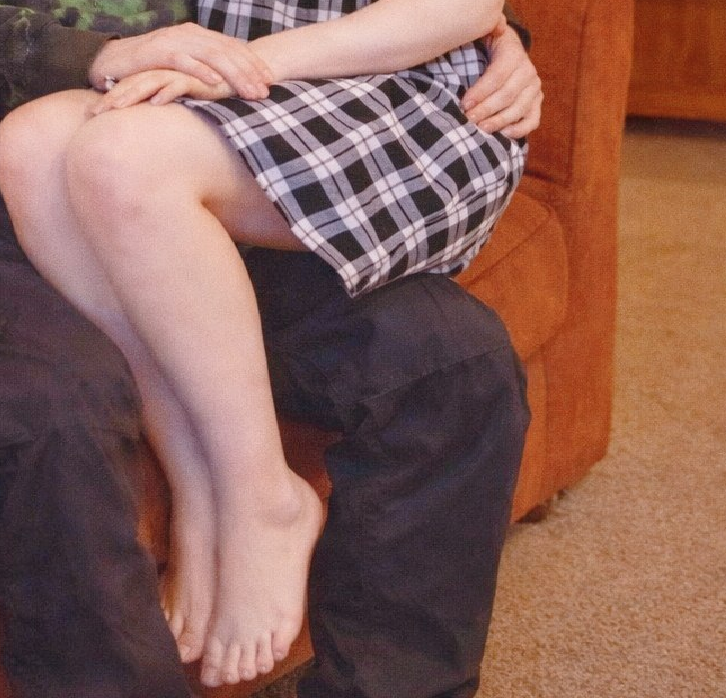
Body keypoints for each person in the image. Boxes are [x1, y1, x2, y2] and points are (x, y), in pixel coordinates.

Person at [0, 4, 540, 697]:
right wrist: (86, 56)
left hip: (254, 106)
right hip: (166, 115)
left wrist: (498, 35)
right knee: (34, 149)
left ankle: (261, 505)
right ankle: (209, 487)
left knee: (449, 358)